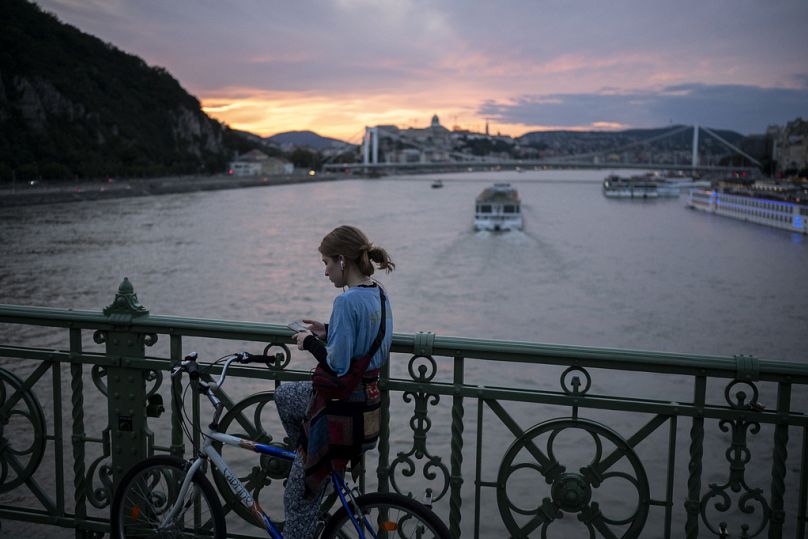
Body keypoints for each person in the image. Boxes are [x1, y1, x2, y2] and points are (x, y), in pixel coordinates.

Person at [274, 225, 395, 538]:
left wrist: (308, 341)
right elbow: (369, 344)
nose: (325, 271)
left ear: (342, 260)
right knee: (288, 396)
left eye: (327, 262)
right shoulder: (379, 294)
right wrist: (330, 331)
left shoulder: (345, 302)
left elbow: (337, 367)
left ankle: (308, 461)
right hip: (368, 407)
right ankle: (313, 466)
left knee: (296, 502)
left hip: (341, 411)